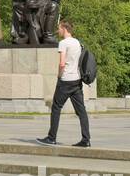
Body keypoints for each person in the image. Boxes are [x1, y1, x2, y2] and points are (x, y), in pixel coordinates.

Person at [35, 19, 91, 148]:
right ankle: (86, 139)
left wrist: (59, 76)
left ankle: (51, 138)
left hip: (65, 81)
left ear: (65, 29)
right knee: (81, 110)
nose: (58, 31)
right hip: (77, 81)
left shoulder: (63, 43)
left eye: (59, 28)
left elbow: (62, 63)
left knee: (56, 108)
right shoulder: (78, 43)